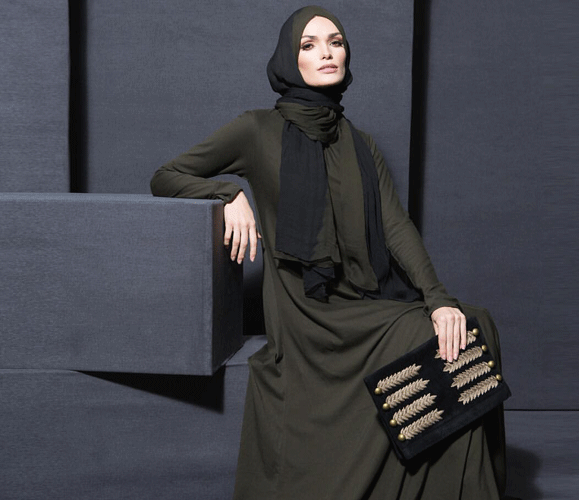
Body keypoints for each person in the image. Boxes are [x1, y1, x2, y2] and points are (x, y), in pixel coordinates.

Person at [151, 6, 507, 499]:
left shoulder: (361, 144)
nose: (326, 53)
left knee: (472, 324)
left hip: (361, 300)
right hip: (306, 311)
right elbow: (166, 175)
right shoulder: (256, 130)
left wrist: (438, 298)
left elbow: (396, 227)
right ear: (289, 58)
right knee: (427, 337)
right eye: (309, 44)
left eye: (335, 42)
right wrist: (228, 195)